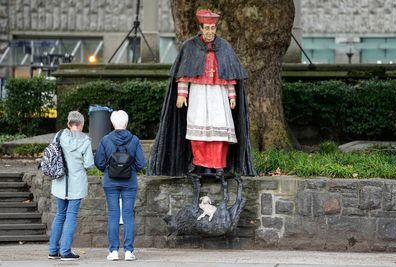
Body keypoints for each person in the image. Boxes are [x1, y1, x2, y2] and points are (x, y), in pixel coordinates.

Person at [149, 9, 255, 177]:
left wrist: (232, 95)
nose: (210, 32)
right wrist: (182, 94)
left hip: (219, 95)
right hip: (198, 94)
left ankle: (218, 164)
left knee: (220, 130)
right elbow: (184, 72)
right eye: (206, 28)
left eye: (213, 28)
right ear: (200, 27)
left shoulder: (224, 47)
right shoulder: (190, 47)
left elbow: (229, 73)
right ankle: (200, 163)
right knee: (197, 130)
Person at [94, 110, 145, 261]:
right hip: (130, 182)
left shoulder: (105, 140)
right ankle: (129, 251)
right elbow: (141, 163)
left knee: (113, 214)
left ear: (112, 123)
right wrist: (132, 169)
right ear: (127, 123)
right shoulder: (134, 140)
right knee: (128, 215)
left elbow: (99, 162)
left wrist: (108, 170)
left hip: (111, 182)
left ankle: (114, 251)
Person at [48, 111, 94, 261]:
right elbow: (89, 164)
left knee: (60, 214)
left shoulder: (59, 135)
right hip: (77, 183)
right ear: (81, 125)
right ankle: (66, 251)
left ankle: (53, 251)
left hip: (60, 182)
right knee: (71, 216)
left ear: (69, 124)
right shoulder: (85, 140)